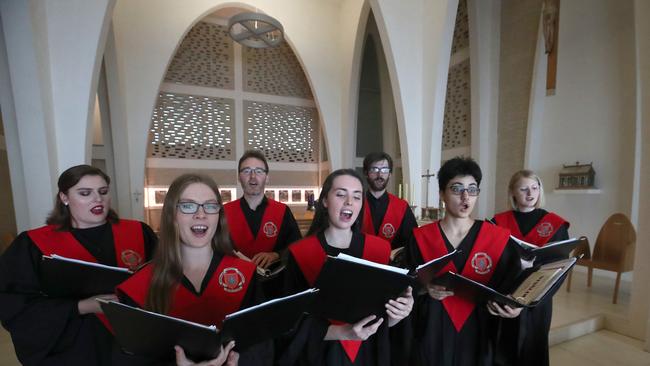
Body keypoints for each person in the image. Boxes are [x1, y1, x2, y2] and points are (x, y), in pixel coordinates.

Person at [0, 164, 157, 365]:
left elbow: (165, 280)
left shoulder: (138, 232)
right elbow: (14, 303)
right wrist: (82, 306)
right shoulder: (33, 243)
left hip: (133, 343)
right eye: (85, 193)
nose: (97, 199)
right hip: (75, 346)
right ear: (64, 198)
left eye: (103, 192)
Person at [116, 173, 272, 365]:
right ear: (172, 215)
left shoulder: (246, 275)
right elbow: (131, 357)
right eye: (188, 206)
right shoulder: (140, 286)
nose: (201, 214)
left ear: (219, 216)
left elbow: (263, 345)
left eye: (210, 205)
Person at [278, 169, 413, 366]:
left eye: (356, 197)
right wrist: (342, 332)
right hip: (319, 355)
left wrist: (399, 312)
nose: (349, 202)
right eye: (341, 194)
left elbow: (385, 319)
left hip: (369, 354)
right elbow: (288, 321)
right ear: (324, 201)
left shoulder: (379, 250)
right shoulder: (301, 253)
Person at [405, 157, 523, 366]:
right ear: (442, 194)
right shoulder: (420, 237)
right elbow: (406, 284)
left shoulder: (497, 237)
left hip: (480, 327)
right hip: (433, 325)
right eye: (456, 188)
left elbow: (512, 287)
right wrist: (425, 289)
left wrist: (515, 306)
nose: (465, 196)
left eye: (472, 189)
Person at [491, 170, 570, 366]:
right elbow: (492, 262)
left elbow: (560, 266)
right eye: (523, 188)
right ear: (513, 192)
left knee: (533, 349)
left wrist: (533, 297)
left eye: (535, 188)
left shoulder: (554, 224)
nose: (530, 193)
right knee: (504, 347)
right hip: (506, 295)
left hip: (538, 298)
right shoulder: (498, 223)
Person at [223, 150, 301, 269]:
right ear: (239, 177)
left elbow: (297, 246)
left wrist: (276, 255)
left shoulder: (283, 211)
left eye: (259, 171)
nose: (253, 176)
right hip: (236, 280)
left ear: (267, 177)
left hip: (275, 280)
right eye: (246, 171)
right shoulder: (224, 212)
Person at [361, 152, 417, 252]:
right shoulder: (356, 204)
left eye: (384, 170)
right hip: (358, 264)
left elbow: (411, 242)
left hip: (391, 265)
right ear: (366, 173)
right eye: (374, 169)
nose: (380, 174)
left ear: (390, 174)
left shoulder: (402, 207)